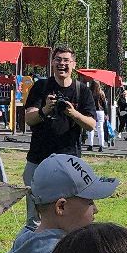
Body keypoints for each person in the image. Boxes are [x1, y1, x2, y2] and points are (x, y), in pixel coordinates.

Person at [23, 48, 96, 222]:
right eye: (57, 60)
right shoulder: (41, 87)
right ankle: (35, 241)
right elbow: (29, 119)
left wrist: (73, 113)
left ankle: (64, 241)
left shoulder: (82, 90)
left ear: (73, 65)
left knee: (69, 204)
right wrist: (45, 110)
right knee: (35, 206)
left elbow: (91, 125)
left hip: (68, 159)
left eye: (65, 60)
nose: (61, 64)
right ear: (52, 63)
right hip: (39, 156)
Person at [84, 81, 109, 153]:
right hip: (100, 111)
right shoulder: (101, 93)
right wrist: (106, 113)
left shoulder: (89, 92)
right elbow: (104, 104)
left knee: (90, 128)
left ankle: (90, 145)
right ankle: (101, 145)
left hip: (92, 111)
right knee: (100, 129)